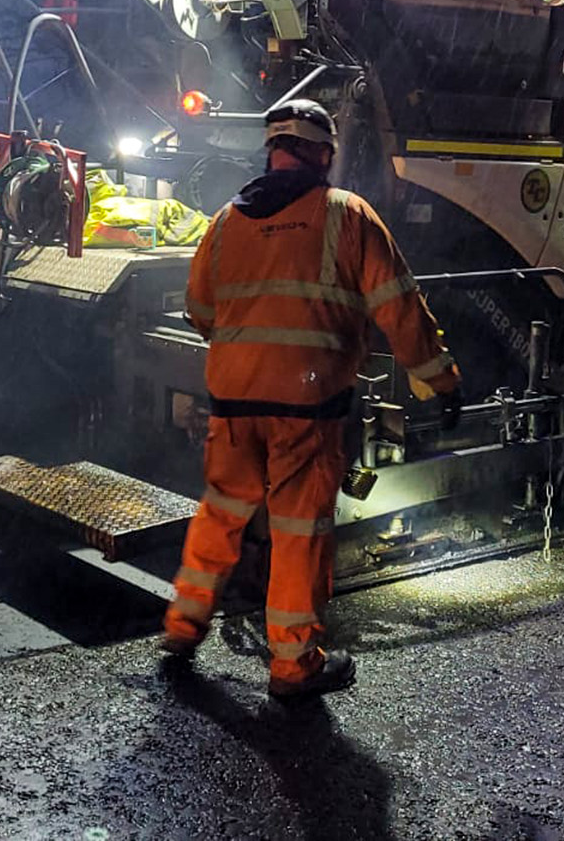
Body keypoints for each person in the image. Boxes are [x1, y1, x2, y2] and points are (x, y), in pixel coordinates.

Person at [161, 99, 463, 698]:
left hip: (234, 402)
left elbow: (199, 309)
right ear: (323, 154)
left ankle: (181, 627)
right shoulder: (347, 215)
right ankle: (294, 665)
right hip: (306, 407)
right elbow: (399, 309)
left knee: (221, 511)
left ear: (271, 152)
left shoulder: (225, 222)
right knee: (299, 531)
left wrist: (247, 349)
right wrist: (440, 379)